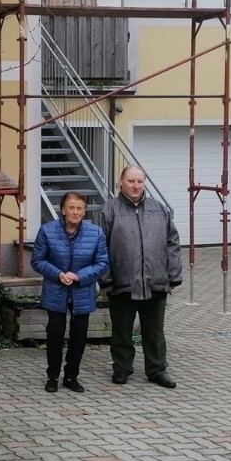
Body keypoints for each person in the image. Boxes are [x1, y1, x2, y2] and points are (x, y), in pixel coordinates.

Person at [99, 165, 182, 389]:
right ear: (120, 182)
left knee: (154, 331)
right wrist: (106, 280)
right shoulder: (109, 210)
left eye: (140, 181)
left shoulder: (159, 210)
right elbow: (100, 247)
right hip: (121, 283)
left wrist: (172, 277)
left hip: (155, 282)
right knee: (121, 330)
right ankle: (122, 368)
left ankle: (156, 370)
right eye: (131, 181)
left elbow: (172, 243)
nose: (136, 186)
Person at [31, 191, 109, 394]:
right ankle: (53, 376)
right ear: (63, 210)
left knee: (79, 337)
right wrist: (58, 274)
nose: (75, 212)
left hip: (82, 292)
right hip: (56, 291)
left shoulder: (96, 233)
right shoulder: (47, 231)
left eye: (80, 208)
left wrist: (79, 276)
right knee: (54, 335)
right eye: (71, 208)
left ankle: (71, 375)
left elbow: (102, 263)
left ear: (84, 211)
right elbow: (37, 260)